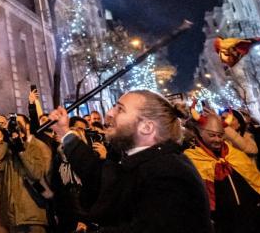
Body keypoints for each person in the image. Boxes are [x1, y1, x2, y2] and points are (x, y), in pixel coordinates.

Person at [50, 89, 211, 233]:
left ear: (147, 127)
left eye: (120, 109)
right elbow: (99, 174)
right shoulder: (147, 161)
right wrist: (65, 132)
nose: (109, 113)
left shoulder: (168, 174)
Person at [183, 113, 260, 233]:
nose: (217, 139)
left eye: (220, 135)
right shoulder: (192, 158)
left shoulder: (235, 154)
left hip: (251, 216)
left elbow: (255, 179)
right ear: (200, 133)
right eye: (212, 135)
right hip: (220, 222)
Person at [0, 119, 50, 233]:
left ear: (22, 134)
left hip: (32, 213)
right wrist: (5, 141)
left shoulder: (32, 148)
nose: (14, 136)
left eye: (16, 133)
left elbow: (36, 174)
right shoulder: (7, 152)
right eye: (11, 133)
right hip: (14, 216)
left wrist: (21, 151)